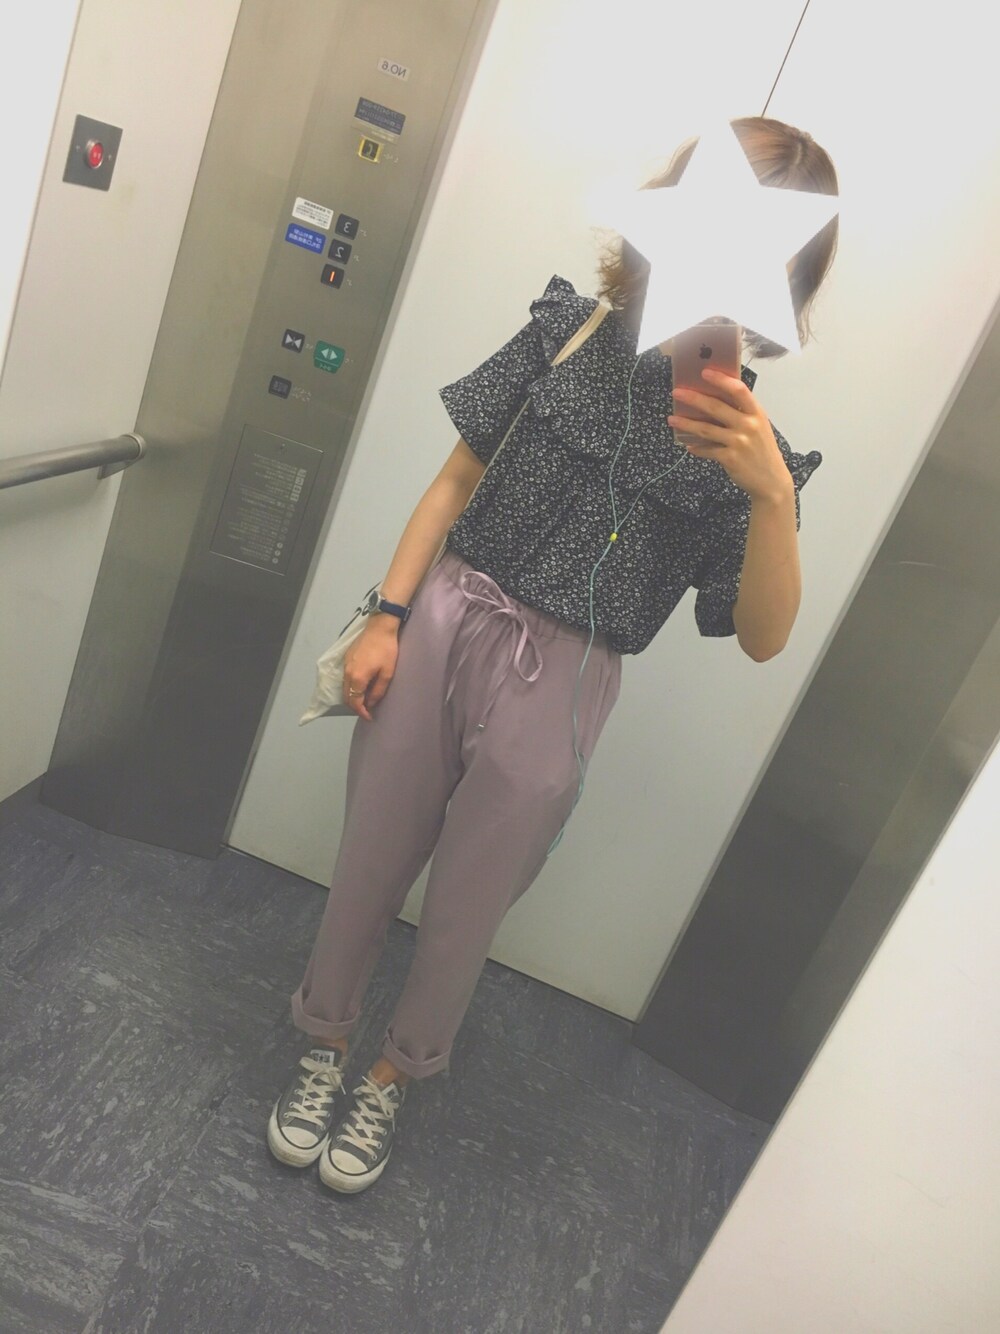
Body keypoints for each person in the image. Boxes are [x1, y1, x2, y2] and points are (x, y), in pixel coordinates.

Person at [267, 116, 839, 1193]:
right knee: (368, 862)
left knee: (469, 905)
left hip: (568, 676)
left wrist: (771, 497)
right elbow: (453, 482)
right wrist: (389, 615)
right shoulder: (565, 333)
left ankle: (394, 1070)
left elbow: (762, 638)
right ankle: (325, 1040)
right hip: (447, 615)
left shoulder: (750, 452)